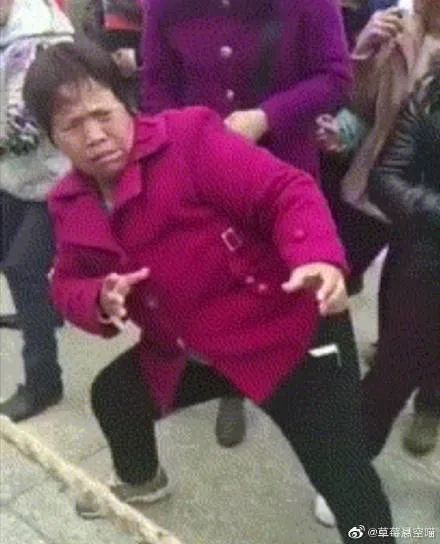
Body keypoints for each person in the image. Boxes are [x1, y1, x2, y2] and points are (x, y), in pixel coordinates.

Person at [23, 40, 396, 543]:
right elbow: (66, 282)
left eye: (102, 114)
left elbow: (285, 192)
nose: (94, 136)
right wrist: (97, 298)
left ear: (125, 102)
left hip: (287, 336)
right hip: (190, 350)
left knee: (346, 481)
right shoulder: (69, 202)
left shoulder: (189, 139)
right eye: (72, 127)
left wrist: (315, 256)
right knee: (115, 396)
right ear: (52, 138)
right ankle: (142, 482)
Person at [139, 0, 353, 447]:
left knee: (287, 288)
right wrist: (185, 138)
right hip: (200, 174)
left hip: (282, 171)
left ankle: (302, 399)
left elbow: (335, 77)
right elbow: (156, 84)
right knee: (218, 280)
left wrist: (267, 116)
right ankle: (230, 383)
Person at [362, 56, 440, 459]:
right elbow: (384, 179)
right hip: (428, 264)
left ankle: (432, 405)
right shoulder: (430, 96)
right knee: (388, 379)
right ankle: (349, 472)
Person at [0, 0, 73, 422]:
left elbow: (24, 130)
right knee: (10, 261)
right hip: (16, 177)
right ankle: (45, 312)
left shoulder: (35, 38)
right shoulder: (10, 29)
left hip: (51, 179)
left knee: (23, 268)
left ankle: (44, 382)